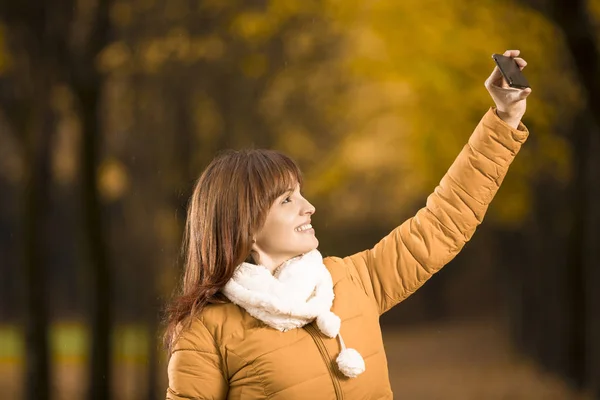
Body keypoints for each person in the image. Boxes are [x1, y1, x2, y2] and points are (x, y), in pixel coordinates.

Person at [164, 49, 532, 399]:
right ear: (243, 223)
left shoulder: (351, 280)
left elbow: (444, 221)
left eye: (300, 193)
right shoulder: (206, 332)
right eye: (287, 200)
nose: (308, 207)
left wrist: (504, 120)